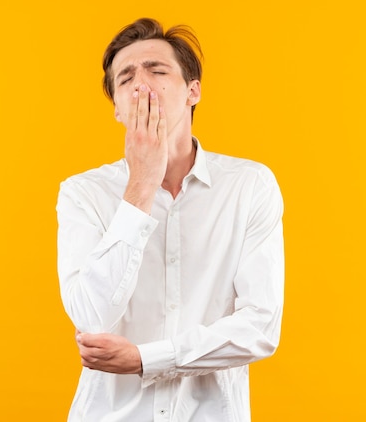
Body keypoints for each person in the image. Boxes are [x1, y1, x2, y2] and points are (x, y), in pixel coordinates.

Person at [56, 17, 285, 421]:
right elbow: (91, 317)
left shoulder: (250, 186)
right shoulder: (83, 193)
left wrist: (147, 359)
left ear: (193, 91)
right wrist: (141, 185)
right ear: (116, 108)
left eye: (157, 70)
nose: (141, 84)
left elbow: (260, 327)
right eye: (125, 78)